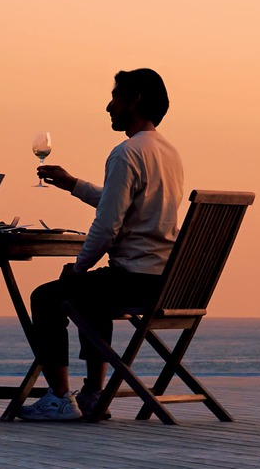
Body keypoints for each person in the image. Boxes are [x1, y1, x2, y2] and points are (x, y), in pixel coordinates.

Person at [21, 67, 184, 421]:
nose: (108, 107)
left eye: (114, 98)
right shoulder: (169, 153)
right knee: (92, 292)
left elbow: (108, 226)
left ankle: (60, 397)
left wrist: (78, 269)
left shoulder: (126, 153)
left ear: (135, 100)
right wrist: (74, 184)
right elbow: (127, 205)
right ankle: (94, 394)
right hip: (164, 281)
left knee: (47, 297)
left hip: (134, 280)